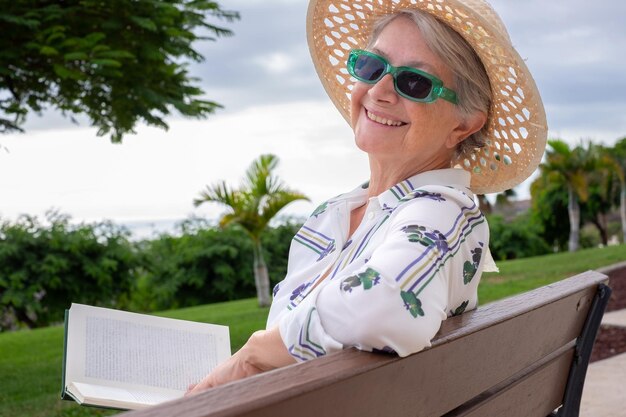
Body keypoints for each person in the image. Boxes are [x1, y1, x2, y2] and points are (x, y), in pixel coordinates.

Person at [187, 0, 547, 393]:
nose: (379, 90)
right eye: (372, 67)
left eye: (414, 83)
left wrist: (253, 354)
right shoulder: (334, 215)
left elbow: (385, 304)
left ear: (464, 124)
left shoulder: (444, 213)